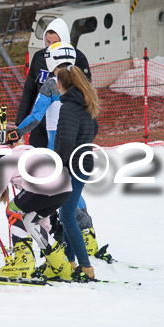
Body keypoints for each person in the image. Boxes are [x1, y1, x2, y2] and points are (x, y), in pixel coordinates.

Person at [0, 41, 102, 259]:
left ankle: (71, 242)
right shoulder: (80, 80)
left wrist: (15, 133)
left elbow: (36, 116)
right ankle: (87, 235)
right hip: (80, 141)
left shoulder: (51, 84)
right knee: (72, 193)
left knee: (57, 191)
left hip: (58, 141)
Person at [0, 145, 75, 281]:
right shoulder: (25, 155)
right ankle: (60, 264)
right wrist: (44, 236)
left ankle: (23, 263)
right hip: (64, 189)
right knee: (30, 221)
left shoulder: (5, 161)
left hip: (44, 187)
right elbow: (38, 204)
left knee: (13, 210)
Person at [54, 64, 100, 280]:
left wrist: (57, 165)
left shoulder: (69, 107)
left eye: (57, 81)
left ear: (63, 84)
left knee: (66, 216)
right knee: (68, 214)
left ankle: (85, 266)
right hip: (84, 163)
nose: (55, 84)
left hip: (71, 166)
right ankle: (69, 260)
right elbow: (94, 128)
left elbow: (65, 140)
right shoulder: (85, 102)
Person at [15, 17, 91, 148]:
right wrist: (19, 125)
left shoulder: (78, 58)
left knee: (62, 160)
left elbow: (86, 94)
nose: (50, 47)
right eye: (47, 42)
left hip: (68, 125)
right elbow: (29, 91)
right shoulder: (40, 57)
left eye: (55, 43)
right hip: (42, 124)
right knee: (39, 159)